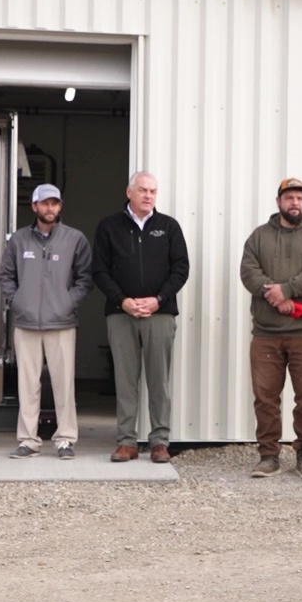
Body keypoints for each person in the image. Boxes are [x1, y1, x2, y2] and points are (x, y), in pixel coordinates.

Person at [239, 176, 302, 479]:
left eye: (300, 198)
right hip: (267, 333)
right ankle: (268, 455)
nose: (295, 202)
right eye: (289, 197)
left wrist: (288, 290)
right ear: (279, 201)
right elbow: (248, 271)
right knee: (265, 396)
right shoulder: (259, 237)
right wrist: (274, 294)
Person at [91, 172, 190, 463]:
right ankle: (127, 442)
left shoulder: (168, 227)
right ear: (129, 192)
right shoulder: (109, 227)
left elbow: (181, 268)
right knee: (125, 381)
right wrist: (123, 301)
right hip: (121, 314)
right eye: (143, 190)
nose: (149, 196)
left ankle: (159, 442)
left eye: (153, 191)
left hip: (159, 314)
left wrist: (158, 300)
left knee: (159, 381)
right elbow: (100, 271)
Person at [0, 183, 93, 459]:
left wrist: (66, 302)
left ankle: (65, 439)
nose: (50, 208)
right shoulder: (18, 240)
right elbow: (6, 276)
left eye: (55, 203)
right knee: (27, 383)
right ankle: (28, 440)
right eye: (45, 203)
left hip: (62, 322)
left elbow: (85, 278)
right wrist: (17, 301)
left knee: (64, 383)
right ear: (35, 206)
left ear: (60, 206)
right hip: (26, 322)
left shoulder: (75, 239)